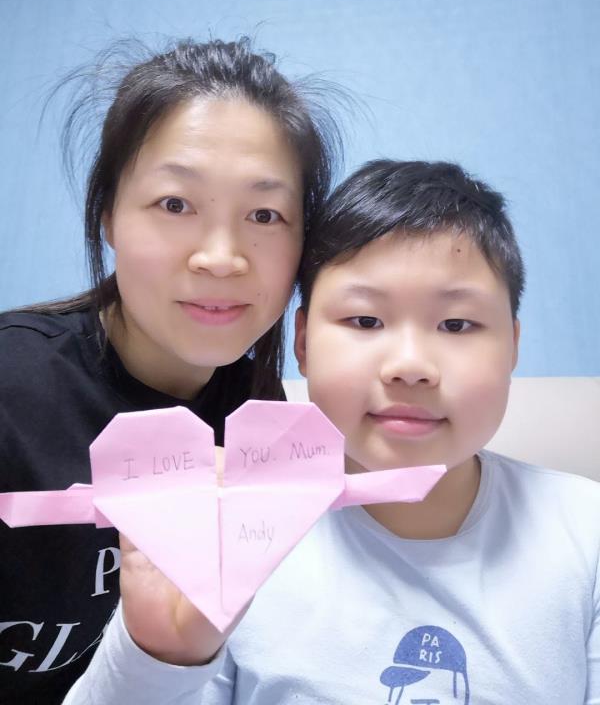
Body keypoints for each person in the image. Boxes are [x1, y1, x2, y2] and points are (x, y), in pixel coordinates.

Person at [64, 159, 600, 704]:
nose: (409, 366)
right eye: (365, 321)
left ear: (513, 345)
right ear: (302, 342)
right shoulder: (235, 539)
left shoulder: (587, 533)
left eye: (456, 324)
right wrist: (161, 655)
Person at [0, 37, 342, 705]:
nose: (221, 257)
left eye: (265, 214)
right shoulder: (13, 392)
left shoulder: (260, 420)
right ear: (108, 215)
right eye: (176, 204)